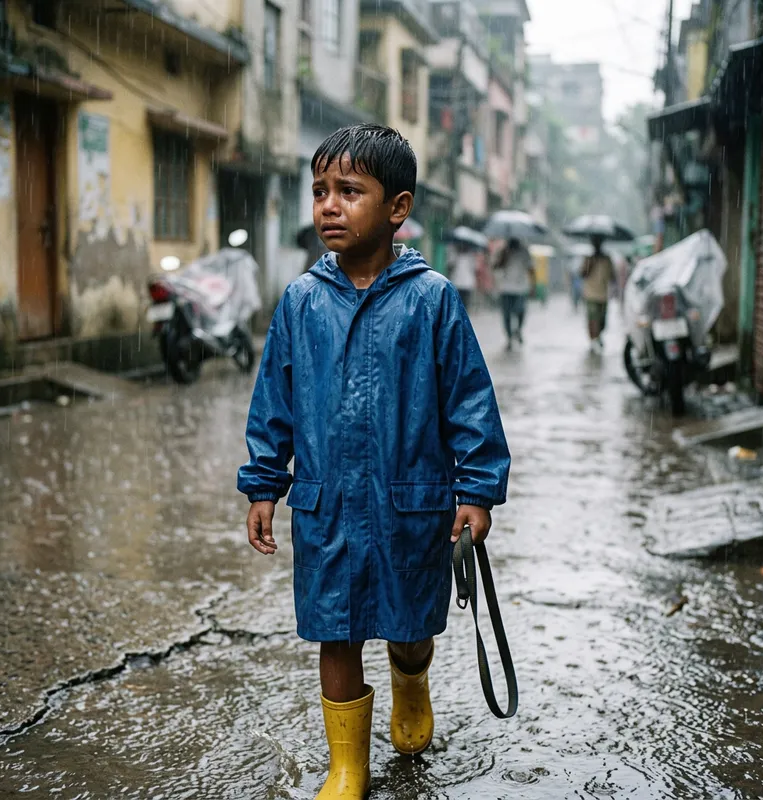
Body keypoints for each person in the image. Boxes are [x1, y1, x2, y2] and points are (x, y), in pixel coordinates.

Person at [237, 124, 510, 799]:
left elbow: (469, 403)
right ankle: (347, 765)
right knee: (337, 630)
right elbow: (274, 398)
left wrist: (475, 491)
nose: (329, 206)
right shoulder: (301, 302)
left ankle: (411, 679)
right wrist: (264, 484)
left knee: (409, 622)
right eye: (320, 191)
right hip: (327, 502)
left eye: (350, 191)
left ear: (397, 208)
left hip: (410, 502)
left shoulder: (432, 300)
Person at [494, 237, 534, 349]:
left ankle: (518, 330)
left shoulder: (524, 252)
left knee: (520, 311)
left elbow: (531, 269)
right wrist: (504, 254)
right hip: (506, 288)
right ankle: (509, 338)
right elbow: (496, 266)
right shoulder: (503, 251)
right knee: (506, 315)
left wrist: (533, 286)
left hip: (521, 288)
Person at [581, 235, 616, 354]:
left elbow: (613, 276)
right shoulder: (588, 258)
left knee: (602, 321)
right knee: (592, 319)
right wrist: (590, 264)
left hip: (603, 295)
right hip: (590, 294)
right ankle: (593, 341)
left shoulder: (607, 259)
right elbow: (582, 274)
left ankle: (598, 337)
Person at [447, 243, 478, 309]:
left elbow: (474, 268)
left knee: (464, 302)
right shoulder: (456, 255)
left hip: (466, 283)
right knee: (459, 302)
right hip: (458, 282)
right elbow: (450, 265)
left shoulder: (470, 256)